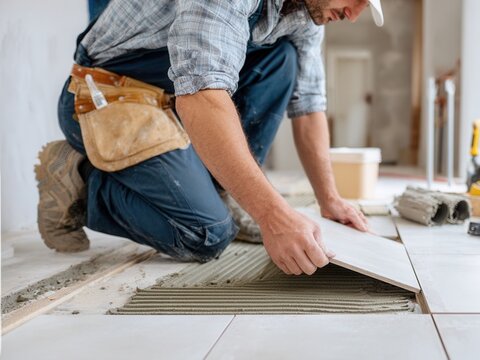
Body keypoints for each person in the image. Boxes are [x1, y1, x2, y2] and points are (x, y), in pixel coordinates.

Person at [35, 0, 384, 276]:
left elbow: (307, 106)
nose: (354, 15)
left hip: (173, 98)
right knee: (206, 235)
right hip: (108, 96)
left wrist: (331, 199)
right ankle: (80, 181)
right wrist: (272, 215)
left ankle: (223, 190)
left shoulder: (307, 12)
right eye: (357, 0)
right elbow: (201, 95)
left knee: (282, 59)